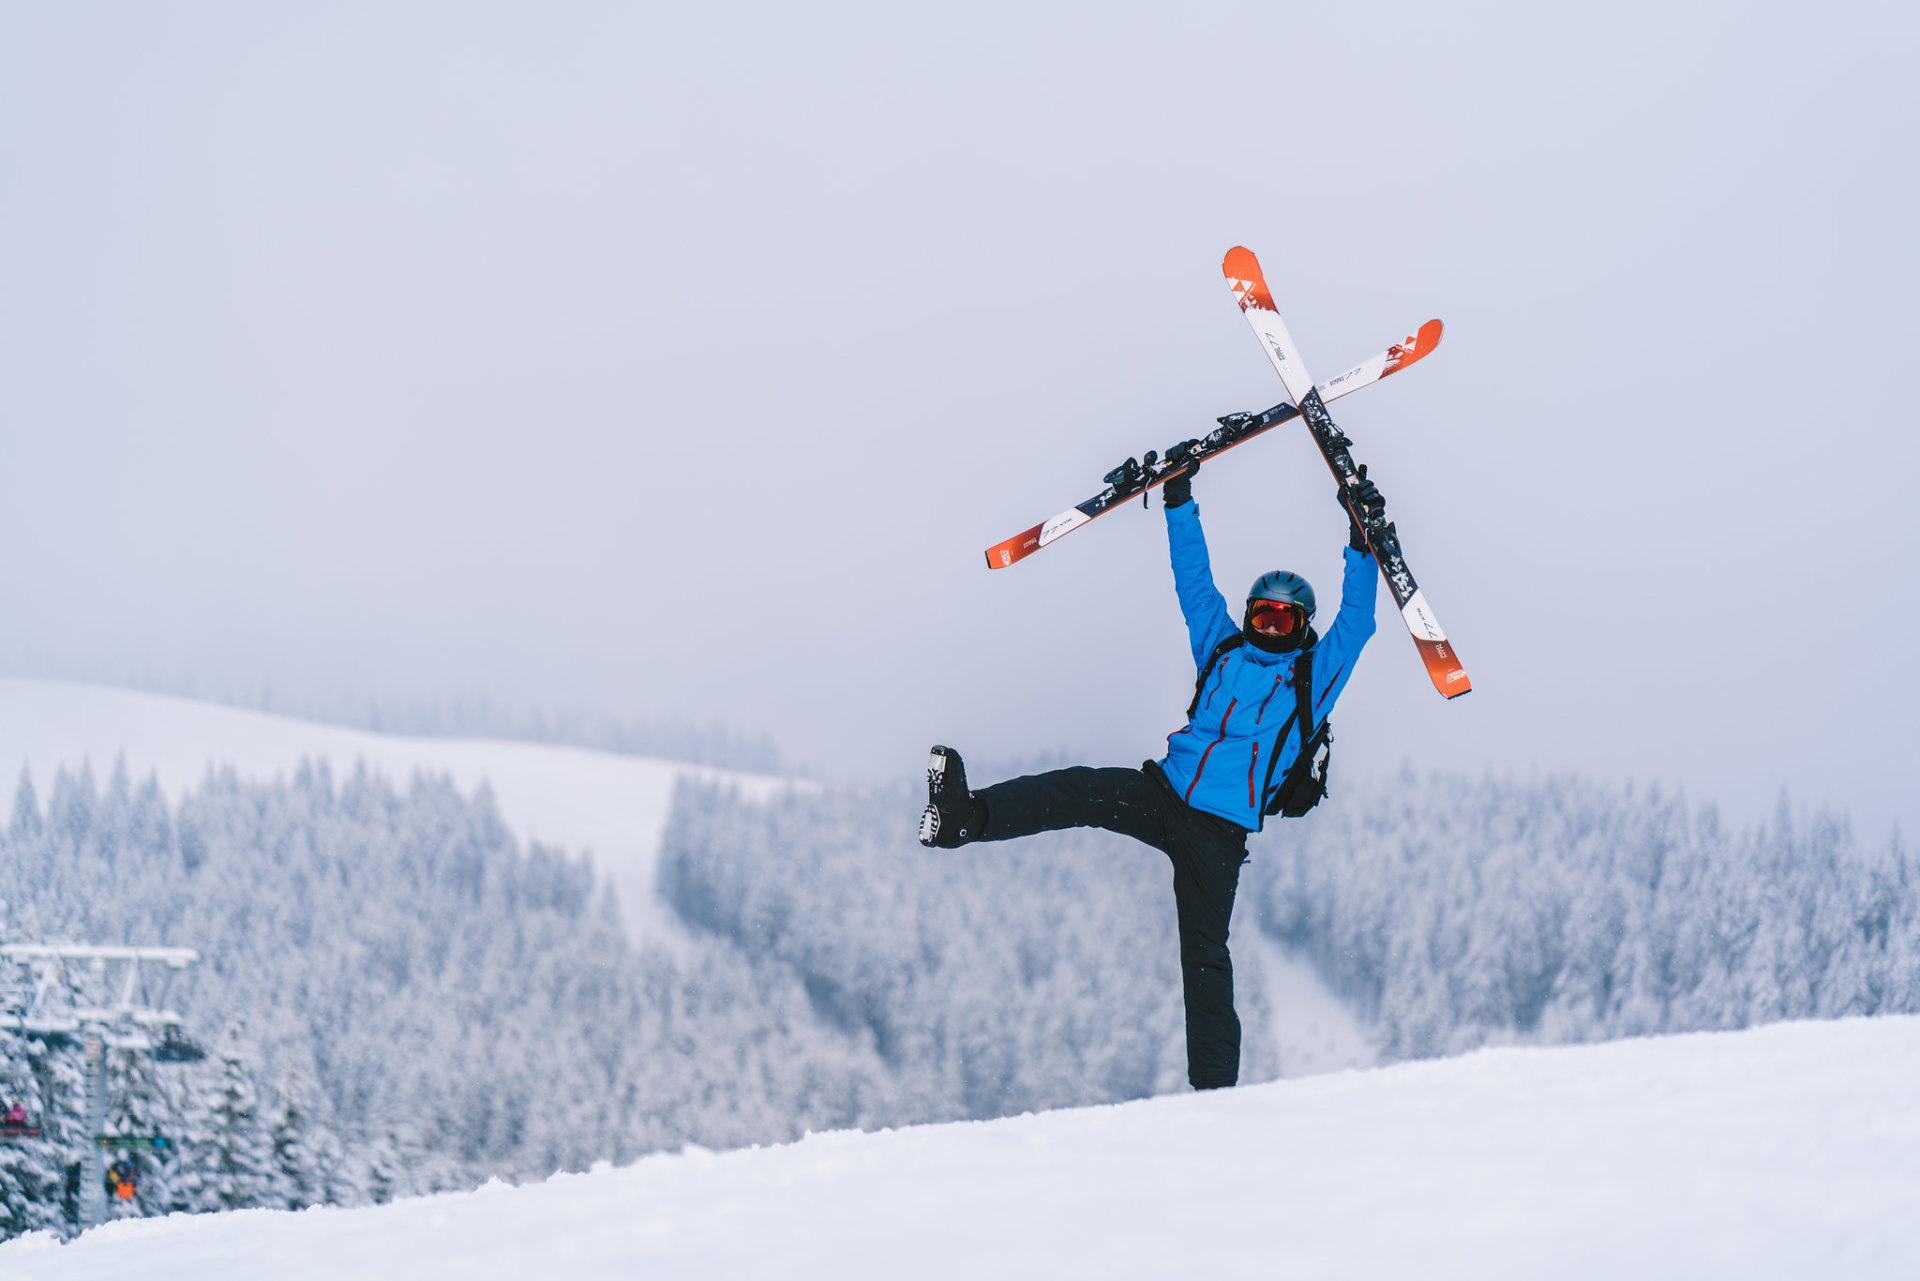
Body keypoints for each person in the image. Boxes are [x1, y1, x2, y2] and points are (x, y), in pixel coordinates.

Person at [918, 449, 1385, 1090]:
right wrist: (1177, 498)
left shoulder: (1311, 677)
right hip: (1164, 791)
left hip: (1216, 834)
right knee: (1075, 789)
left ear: (1303, 627)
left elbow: (1358, 623)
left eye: (1283, 618)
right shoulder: (1221, 648)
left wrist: (1361, 543)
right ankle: (964, 819)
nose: (1268, 627)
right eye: (1261, 614)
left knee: (1203, 954)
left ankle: (1216, 1093)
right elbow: (1194, 584)